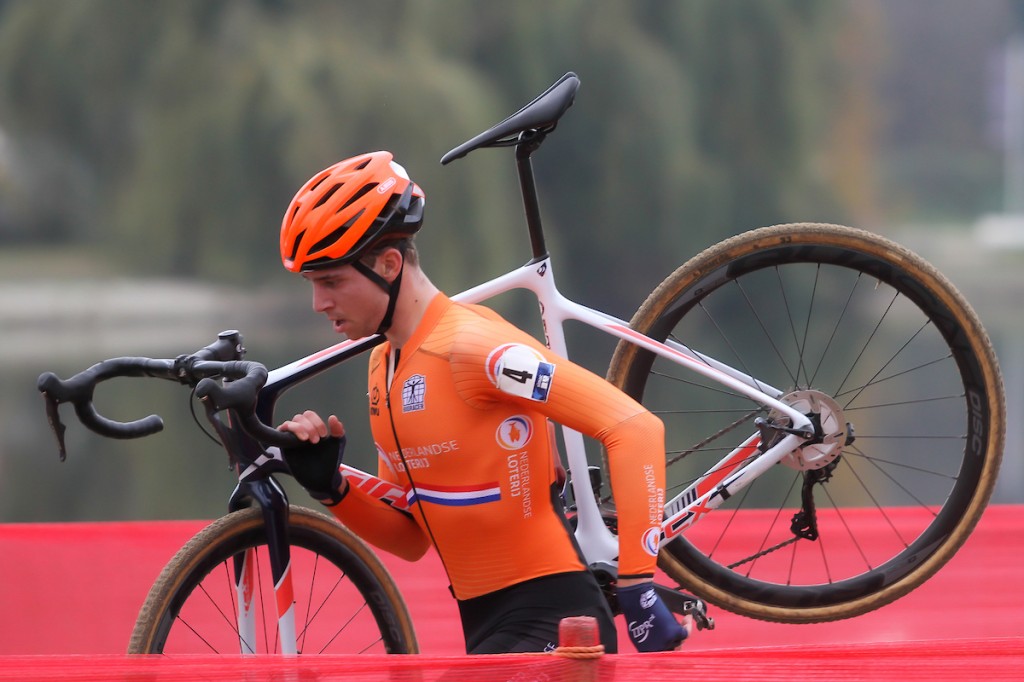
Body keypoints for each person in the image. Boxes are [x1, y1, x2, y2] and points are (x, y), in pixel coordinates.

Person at [276, 151, 690, 654]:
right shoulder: (382, 365)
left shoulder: (475, 349)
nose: (319, 303)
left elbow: (635, 429)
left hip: (558, 622)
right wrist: (331, 488)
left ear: (388, 265)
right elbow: (411, 538)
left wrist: (638, 584)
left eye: (332, 281)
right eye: (314, 285)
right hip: (486, 629)